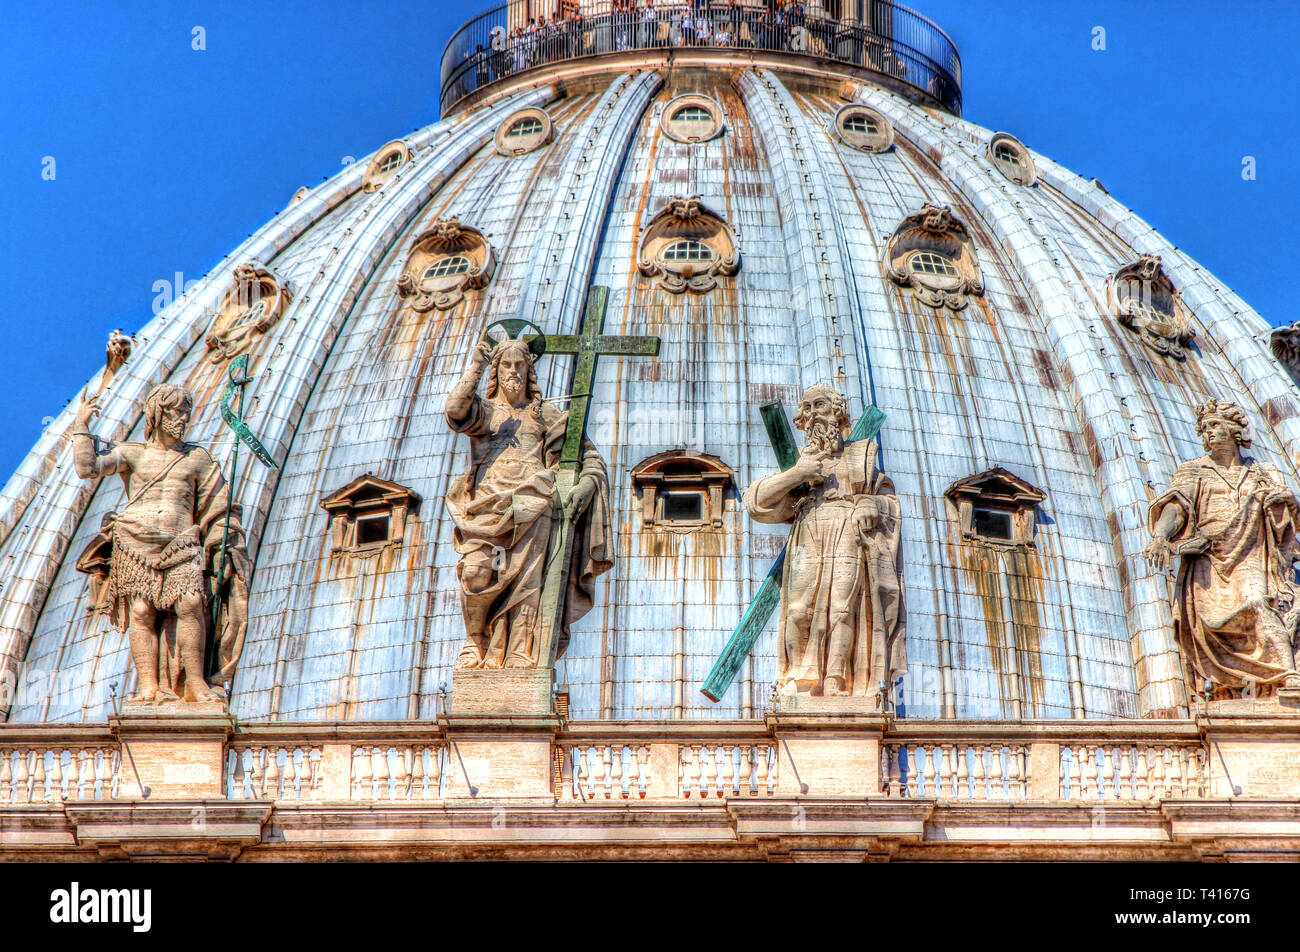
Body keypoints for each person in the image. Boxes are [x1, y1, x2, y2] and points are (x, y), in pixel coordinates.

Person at [73, 384, 251, 704]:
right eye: (175, 412)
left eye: (186, 413)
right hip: (135, 541)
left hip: (182, 541)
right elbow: (88, 469)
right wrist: (81, 427)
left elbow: (219, 505)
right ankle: (148, 687)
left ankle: (195, 682)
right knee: (142, 611)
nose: (182, 419)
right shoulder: (133, 453)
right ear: (156, 413)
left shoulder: (198, 458)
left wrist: (223, 537)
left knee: (191, 604)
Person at [445, 335, 613, 670]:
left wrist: (585, 485)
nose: (513, 371)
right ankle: (477, 641)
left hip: (534, 508)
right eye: (506, 365)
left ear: (529, 370)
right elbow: (455, 410)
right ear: (497, 371)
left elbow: (589, 457)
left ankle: (520, 649)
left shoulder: (546, 414)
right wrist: (476, 366)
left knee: (529, 582)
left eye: (519, 365)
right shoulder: (486, 412)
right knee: (477, 572)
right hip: (486, 510)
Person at [743, 385, 906, 698]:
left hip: (848, 531)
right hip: (809, 530)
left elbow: (889, 501)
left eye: (820, 405)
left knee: (843, 608)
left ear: (838, 413)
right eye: (807, 408)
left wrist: (869, 503)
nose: (813, 414)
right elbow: (755, 503)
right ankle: (800, 678)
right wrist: (797, 474)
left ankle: (834, 679)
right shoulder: (799, 462)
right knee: (797, 609)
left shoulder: (859, 457)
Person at [1146, 399, 1300, 699]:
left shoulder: (1262, 471)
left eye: (1215, 425)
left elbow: (1291, 517)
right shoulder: (1194, 470)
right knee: (1217, 615)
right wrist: (1161, 536)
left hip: (1252, 553)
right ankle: (1234, 682)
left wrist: (1284, 502)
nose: (1208, 432)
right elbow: (1177, 508)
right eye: (1205, 428)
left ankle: (1286, 673)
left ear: (1234, 429)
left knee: (1258, 602)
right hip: (1210, 557)